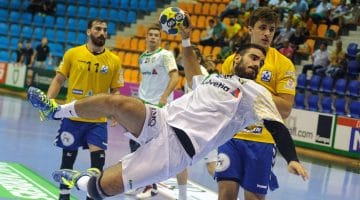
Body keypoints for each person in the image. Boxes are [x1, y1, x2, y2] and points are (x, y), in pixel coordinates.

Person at [27, 15, 308, 200]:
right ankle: (56, 110)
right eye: (253, 58)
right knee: (116, 102)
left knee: (103, 188)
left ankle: (78, 181)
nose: (257, 64)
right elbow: (191, 67)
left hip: (177, 150)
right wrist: (185, 38)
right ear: (236, 59)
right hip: (160, 119)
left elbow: (276, 125)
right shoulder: (217, 78)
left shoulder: (255, 92)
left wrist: (291, 157)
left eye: (260, 62)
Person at [216, 7, 303, 200]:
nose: (267, 33)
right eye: (262, 27)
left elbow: (286, 109)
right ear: (250, 29)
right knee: (225, 194)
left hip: (262, 140)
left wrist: (253, 89)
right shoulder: (232, 61)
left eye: (271, 29)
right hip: (232, 136)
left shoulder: (283, 64)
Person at [42, 18, 124, 200]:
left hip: (98, 121)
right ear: (88, 31)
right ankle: (64, 197)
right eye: (98, 29)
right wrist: (48, 102)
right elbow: (58, 79)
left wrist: (116, 110)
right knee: (67, 161)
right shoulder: (73, 54)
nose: (102, 32)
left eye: (104, 29)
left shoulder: (114, 60)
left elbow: (115, 90)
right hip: (73, 119)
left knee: (97, 166)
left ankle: (91, 197)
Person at [128, 23, 179, 199]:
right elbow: (145, 81)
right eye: (150, 35)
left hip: (158, 106)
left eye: (156, 35)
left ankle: (151, 185)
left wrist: (164, 96)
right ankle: (139, 181)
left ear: (160, 38)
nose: (153, 37)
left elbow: (175, 77)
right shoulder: (142, 57)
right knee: (135, 142)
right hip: (142, 104)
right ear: (146, 37)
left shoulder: (166, 55)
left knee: (150, 146)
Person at [175, 45, 218, 200]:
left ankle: (183, 196)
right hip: (200, 124)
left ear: (197, 60)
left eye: (188, 57)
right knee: (210, 165)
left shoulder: (201, 74)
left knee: (185, 161)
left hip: (199, 124)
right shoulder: (193, 73)